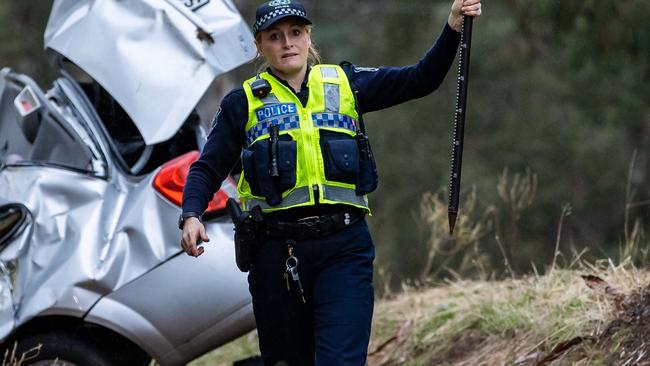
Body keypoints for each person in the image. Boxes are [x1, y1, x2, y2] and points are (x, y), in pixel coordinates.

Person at [179, 0, 482, 365]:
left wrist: (452, 25)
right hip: (275, 254)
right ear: (260, 46)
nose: (287, 43)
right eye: (274, 37)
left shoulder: (346, 82)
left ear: (309, 37)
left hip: (344, 248)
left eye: (295, 33)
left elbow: (422, 78)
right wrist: (192, 213)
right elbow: (206, 168)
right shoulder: (240, 104)